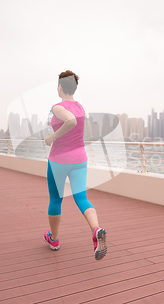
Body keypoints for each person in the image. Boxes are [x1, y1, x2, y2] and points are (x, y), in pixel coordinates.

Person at [43, 70, 107, 260]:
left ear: (60, 88)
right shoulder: (80, 107)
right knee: (81, 198)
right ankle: (96, 230)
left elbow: (69, 121)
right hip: (80, 159)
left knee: (56, 199)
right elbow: (74, 123)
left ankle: (54, 239)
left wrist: (52, 137)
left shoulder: (57, 107)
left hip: (58, 161)